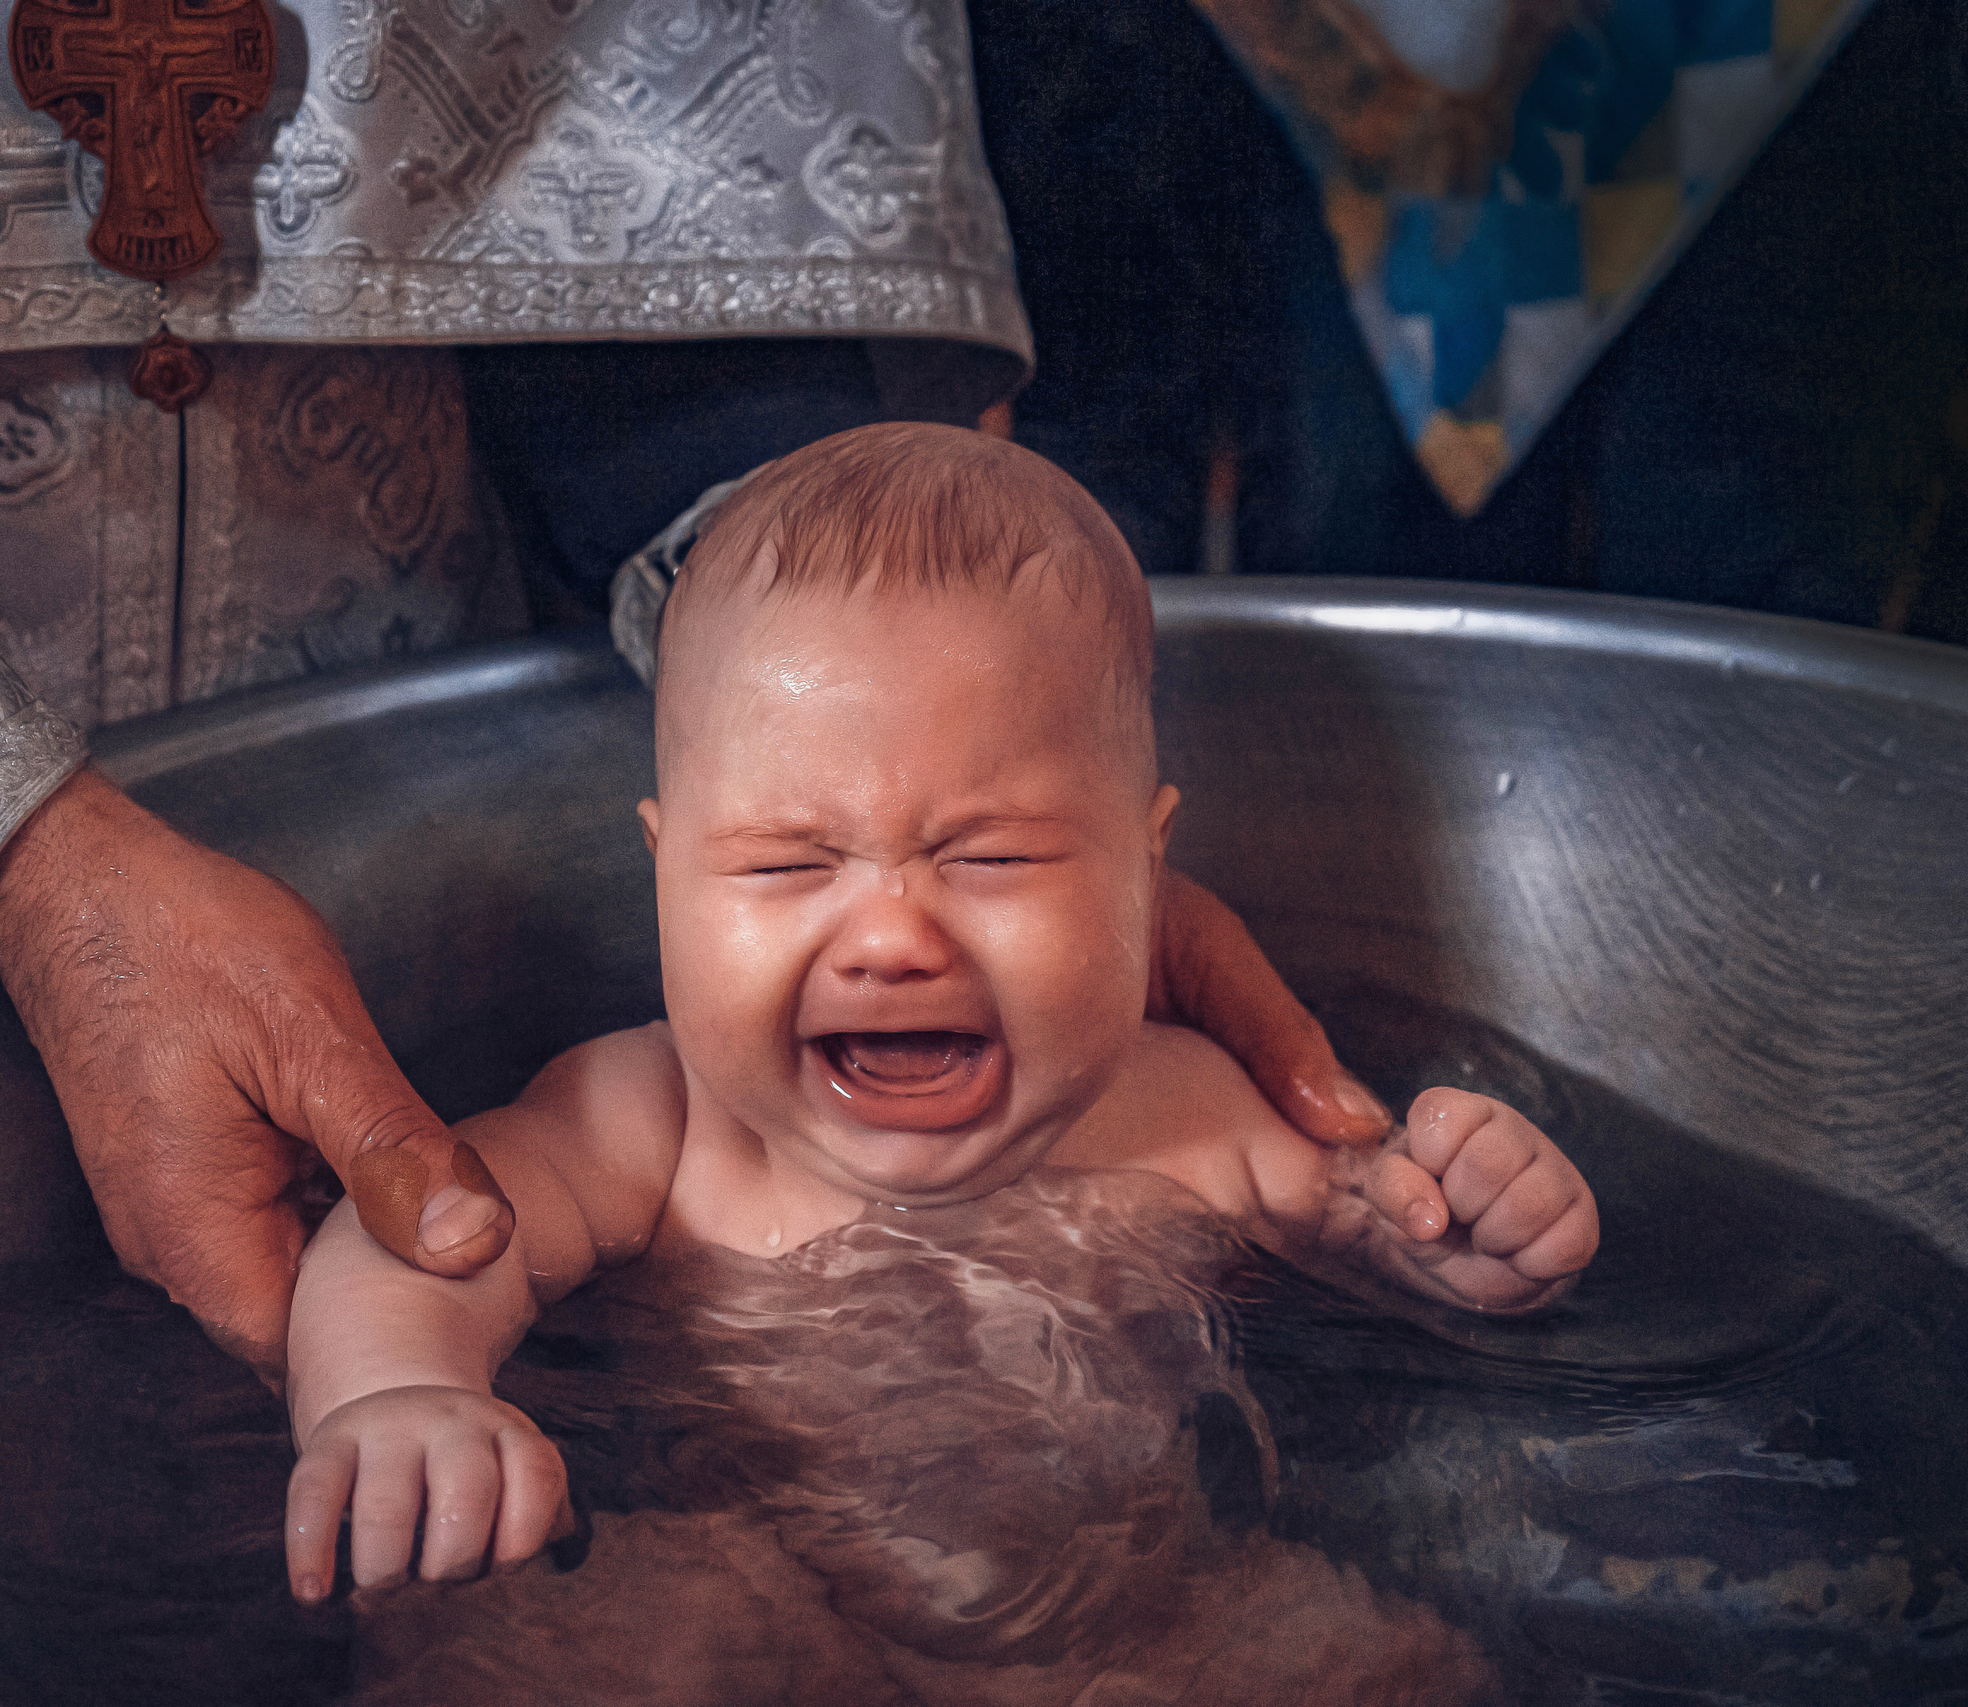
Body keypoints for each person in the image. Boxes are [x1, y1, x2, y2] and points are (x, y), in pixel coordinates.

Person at [278, 424, 1601, 1640]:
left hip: (1144, 1616)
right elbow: (422, 1229)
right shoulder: (653, 1125)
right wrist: (398, 1391)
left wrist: (1475, 1237)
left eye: (994, 857)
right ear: (663, 870)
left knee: (1394, 1658)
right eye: (786, 868)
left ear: (1148, 874)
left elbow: (1387, 1229)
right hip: (750, 1595)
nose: (891, 935)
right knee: (620, 1641)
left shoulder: (1188, 1109)